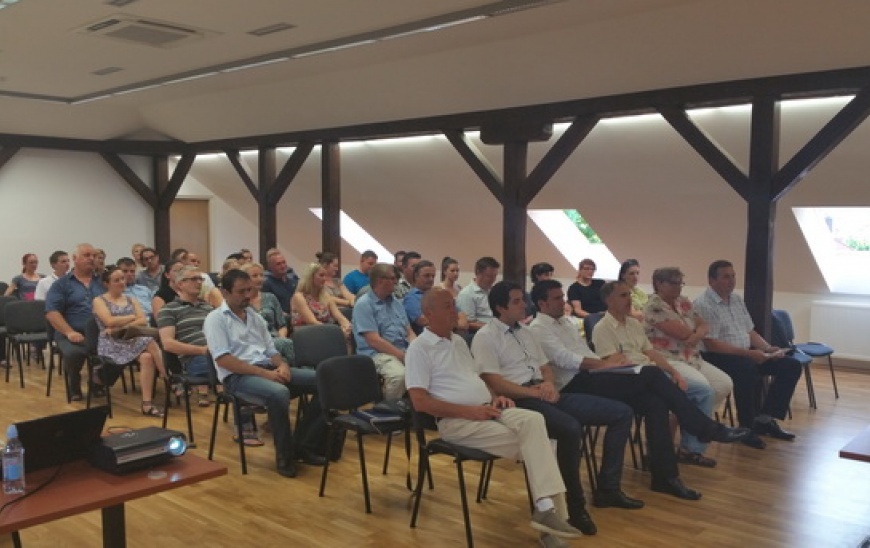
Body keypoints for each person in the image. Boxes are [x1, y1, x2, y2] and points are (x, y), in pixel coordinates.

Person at [530, 279, 750, 500]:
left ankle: (665, 477)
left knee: (656, 403)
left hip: (592, 375)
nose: (564, 302)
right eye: (557, 298)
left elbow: (586, 353)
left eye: (562, 297)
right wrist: (604, 364)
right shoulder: (539, 328)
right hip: (574, 384)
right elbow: (565, 359)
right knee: (651, 374)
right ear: (542, 303)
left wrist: (609, 364)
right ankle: (703, 427)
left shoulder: (565, 323)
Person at [405, 288, 583, 545]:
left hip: (487, 409)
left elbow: (475, 379)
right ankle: (550, 522)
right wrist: (470, 411)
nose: (455, 311)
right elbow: (420, 402)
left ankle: (546, 510)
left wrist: (494, 396)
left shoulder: (458, 341)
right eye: (447, 306)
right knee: (542, 444)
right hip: (457, 422)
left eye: (454, 305)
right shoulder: (419, 349)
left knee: (535, 421)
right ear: (428, 313)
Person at [473, 281, 642, 536]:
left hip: (545, 392)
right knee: (570, 429)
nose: (523, 305)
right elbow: (494, 382)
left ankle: (608, 489)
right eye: (516, 301)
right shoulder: (486, 337)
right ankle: (575, 507)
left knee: (621, 413)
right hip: (519, 400)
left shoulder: (526, 331)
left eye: (522, 299)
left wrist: (549, 384)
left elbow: (545, 367)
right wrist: (534, 391)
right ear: (500, 307)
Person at [203, 269, 327, 478]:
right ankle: (285, 457)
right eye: (241, 292)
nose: (247, 296)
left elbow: (271, 350)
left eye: (249, 290)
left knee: (323, 381)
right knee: (279, 393)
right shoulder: (216, 319)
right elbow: (224, 360)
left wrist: (282, 365)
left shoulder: (254, 316)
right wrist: (265, 374)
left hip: (265, 370)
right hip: (237, 378)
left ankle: (303, 446)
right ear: (225, 292)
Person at [693, 260, 803, 449]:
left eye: (733, 276)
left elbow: (750, 331)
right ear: (711, 280)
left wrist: (768, 349)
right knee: (747, 370)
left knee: (791, 366)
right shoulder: (703, 304)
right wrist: (749, 354)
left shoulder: (736, 299)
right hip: (718, 356)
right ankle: (747, 428)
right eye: (726, 277)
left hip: (745, 353)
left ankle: (765, 419)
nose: (731, 281)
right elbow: (712, 344)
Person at [644, 267, 733, 467]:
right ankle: (692, 448)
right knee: (704, 390)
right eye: (673, 283)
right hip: (667, 359)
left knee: (723, 384)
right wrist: (695, 333)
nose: (678, 287)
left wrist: (696, 334)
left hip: (691, 356)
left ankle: (688, 421)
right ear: (659, 284)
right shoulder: (654, 307)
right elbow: (683, 334)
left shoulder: (682, 301)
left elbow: (704, 325)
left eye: (680, 283)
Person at [93, 265, 167, 417]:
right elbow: (109, 321)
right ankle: (167, 377)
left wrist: (123, 325)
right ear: (107, 284)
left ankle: (147, 404)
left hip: (130, 338)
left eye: (122, 279)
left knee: (147, 356)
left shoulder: (131, 299)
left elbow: (143, 321)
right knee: (149, 341)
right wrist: (132, 317)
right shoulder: (99, 300)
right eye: (116, 280)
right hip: (111, 342)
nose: (122, 282)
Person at [45, 243, 106, 401]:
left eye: (94, 256)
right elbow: (52, 313)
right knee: (74, 354)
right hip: (71, 332)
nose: (91, 258)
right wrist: (69, 332)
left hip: (100, 333)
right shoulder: (61, 284)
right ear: (75, 258)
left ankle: (97, 382)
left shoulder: (102, 282)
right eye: (86, 255)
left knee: (118, 351)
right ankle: (74, 383)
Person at [352, 263, 414, 400]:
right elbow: (374, 341)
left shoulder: (396, 303)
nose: (396, 282)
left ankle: (415, 409)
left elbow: (409, 331)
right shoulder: (364, 304)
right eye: (392, 278)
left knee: (429, 370)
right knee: (399, 376)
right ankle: (389, 409)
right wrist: (402, 356)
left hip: (401, 350)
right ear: (380, 281)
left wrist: (416, 349)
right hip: (377, 354)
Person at [156, 264, 213, 409]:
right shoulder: (169, 309)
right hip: (194, 360)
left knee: (251, 365)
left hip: (218, 354)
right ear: (180, 284)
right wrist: (202, 350)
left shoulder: (208, 308)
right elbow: (168, 343)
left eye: (200, 279)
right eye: (194, 279)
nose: (199, 282)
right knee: (240, 370)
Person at [241, 262, 295, 364]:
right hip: (252, 341)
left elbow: (282, 325)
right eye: (255, 276)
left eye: (261, 275)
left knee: (285, 343)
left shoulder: (270, 297)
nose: (260, 279)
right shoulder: (241, 302)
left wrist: (281, 338)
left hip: (274, 338)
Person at [291, 263, 352, 338]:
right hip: (308, 335)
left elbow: (340, 317)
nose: (324, 279)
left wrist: (346, 326)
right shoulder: (299, 297)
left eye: (325, 276)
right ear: (310, 277)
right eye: (321, 275)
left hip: (327, 332)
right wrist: (337, 332)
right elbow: (312, 322)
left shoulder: (326, 296)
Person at [456, 256, 500, 331]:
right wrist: (492, 327)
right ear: (478, 273)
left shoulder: (492, 291)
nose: (493, 280)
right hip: (479, 333)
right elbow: (468, 323)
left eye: (495, 276)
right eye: (489, 276)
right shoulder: (467, 294)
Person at [403, 260, 437, 335]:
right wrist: (447, 319)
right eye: (427, 276)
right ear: (416, 276)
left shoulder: (438, 295)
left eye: (433, 276)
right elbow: (422, 320)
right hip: (425, 338)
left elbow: (459, 317)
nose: (431, 279)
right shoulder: (411, 298)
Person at [262, 250, 299, 315]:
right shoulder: (267, 284)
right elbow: (268, 307)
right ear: (270, 267)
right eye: (278, 264)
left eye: (284, 262)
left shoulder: (293, 280)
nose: (283, 266)